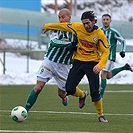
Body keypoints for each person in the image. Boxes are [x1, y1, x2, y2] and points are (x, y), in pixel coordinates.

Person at [43, 11, 110, 122]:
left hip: (92, 64)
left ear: (93, 21)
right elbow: (63, 26)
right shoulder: (77, 27)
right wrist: (48, 26)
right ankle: (82, 95)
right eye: (83, 23)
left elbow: (106, 51)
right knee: (68, 88)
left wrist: (100, 65)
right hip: (78, 62)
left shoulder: (99, 35)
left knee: (95, 92)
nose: (86, 26)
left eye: (88, 23)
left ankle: (100, 114)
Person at [24, 8, 88, 112]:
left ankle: (82, 94)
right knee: (38, 87)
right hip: (50, 61)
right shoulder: (55, 28)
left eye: (63, 17)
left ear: (69, 17)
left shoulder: (76, 31)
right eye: (59, 17)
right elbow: (54, 42)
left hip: (64, 66)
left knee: (62, 92)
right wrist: (70, 45)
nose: (61, 19)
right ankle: (25, 111)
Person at [100, 14, 133, 98]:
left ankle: (100, 96)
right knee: (108, 76)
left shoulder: (113, 32)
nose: (105, 21)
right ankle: (124, 67)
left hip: (110, 57)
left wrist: (123, 51)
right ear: (102, 20)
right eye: (104, 19)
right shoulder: (99, 31)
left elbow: (123, 41)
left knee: (103, 74)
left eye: (107, 19)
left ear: (110, 21)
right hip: (101, 57)